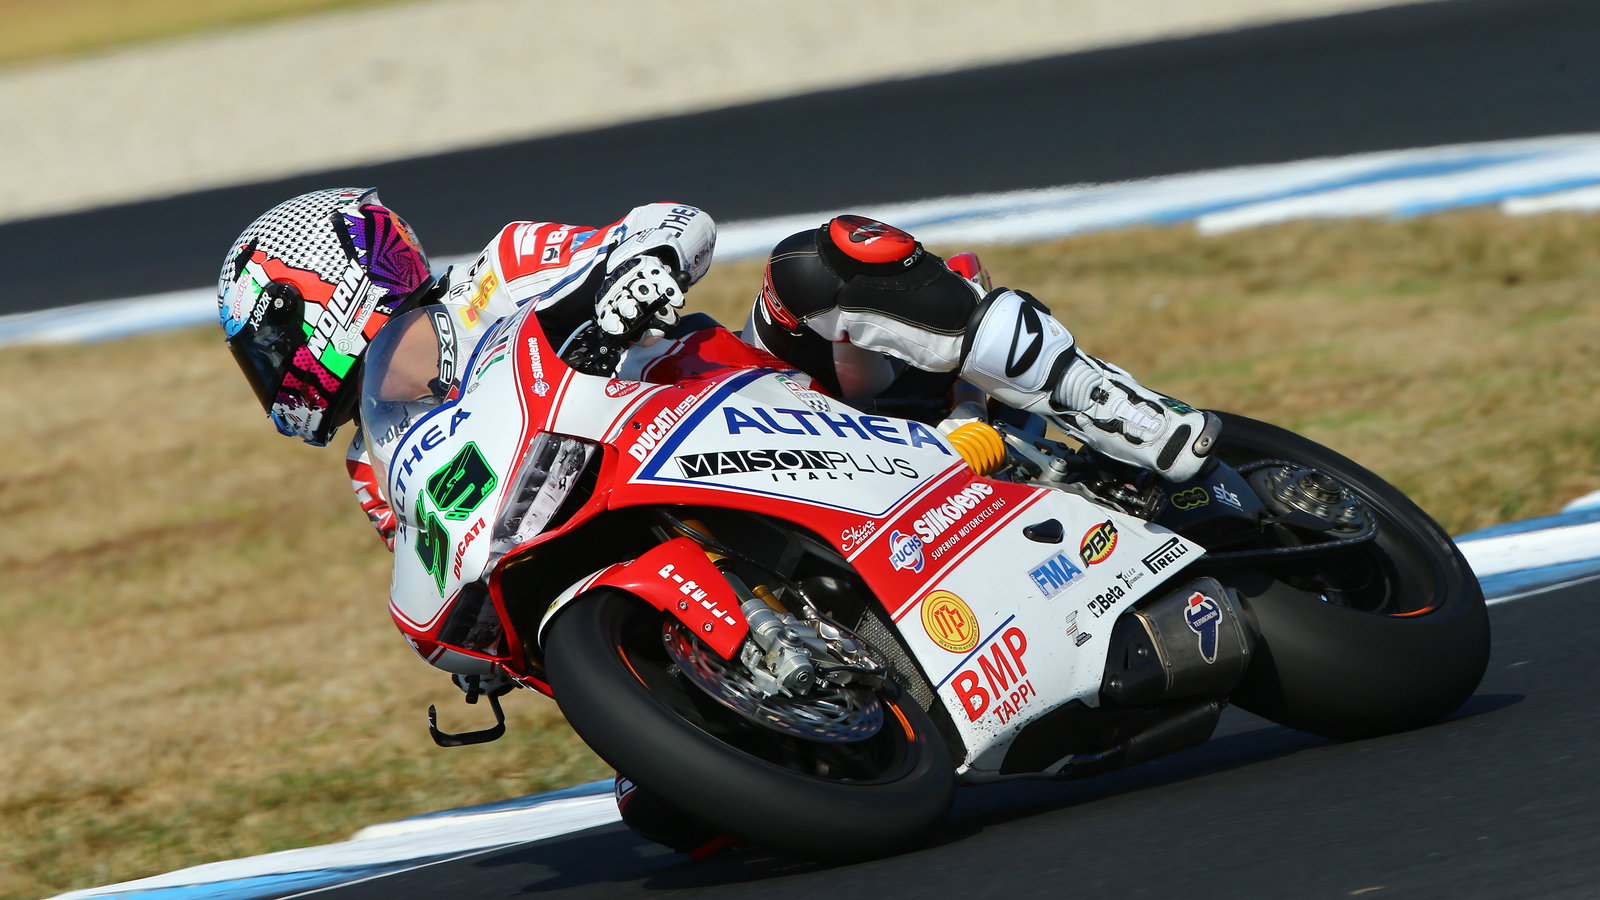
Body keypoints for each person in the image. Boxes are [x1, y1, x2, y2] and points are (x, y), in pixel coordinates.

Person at [216, 186, 1218, 855]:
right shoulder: (371, 462)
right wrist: (477, 649)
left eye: (266, 341)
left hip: (768, 401)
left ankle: (1105, 403)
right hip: (625, 510)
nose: (269, 375)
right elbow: (439, 549)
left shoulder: (501, 270)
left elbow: (673, 222)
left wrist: (641, 264)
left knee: (824, 263)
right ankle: (830, 681)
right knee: (668, 815)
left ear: (324, 293)